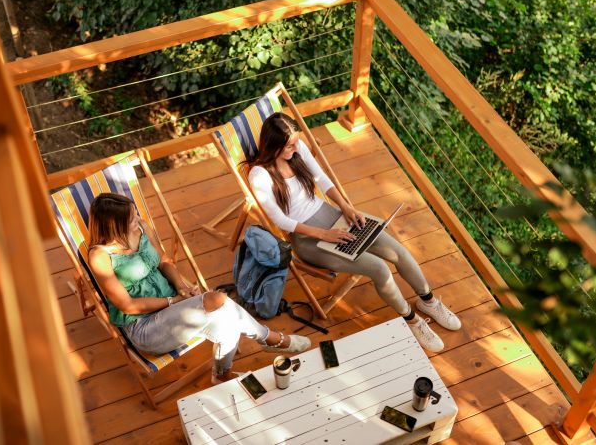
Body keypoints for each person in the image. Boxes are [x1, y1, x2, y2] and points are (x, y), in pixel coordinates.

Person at [246, 113, 461, 352]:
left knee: (397, 251)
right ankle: (412, 319)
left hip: (333, 216)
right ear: (274, 145)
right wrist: (323, 234)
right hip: (308, 239)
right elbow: (280, 220)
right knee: (378, 268)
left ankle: (428, 301)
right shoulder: (260, 175)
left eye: (297, 141)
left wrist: (346, 208)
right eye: (289, 145)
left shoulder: (297, 149)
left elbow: (322, 179)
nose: (297, 148)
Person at [87, 192, 310, 383]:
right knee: (219, 301)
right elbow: (127, 306)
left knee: (227, 319)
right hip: (145, 327)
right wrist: (174, 301)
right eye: (131, 218)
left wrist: (182, 287)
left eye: (135, 212)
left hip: (174, 306)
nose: (138, 217)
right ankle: (270, 339)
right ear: (113, 226)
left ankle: (222, 374)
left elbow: (164, 261)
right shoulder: (100, 256)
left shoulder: (141, 228)